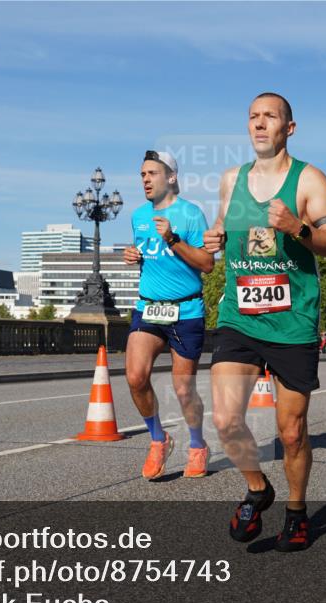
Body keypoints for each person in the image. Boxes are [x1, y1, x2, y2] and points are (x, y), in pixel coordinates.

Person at [203, 92, 326, 552]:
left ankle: (297, 511)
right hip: (239, 317)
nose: (260, 123)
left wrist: (298, 228)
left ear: (290, 127)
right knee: (226, 421)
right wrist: (215, 237)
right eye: (253, 116)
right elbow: (224, 227)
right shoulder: (232, 180)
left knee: (291, 431)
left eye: (270, 116)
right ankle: (258, 488)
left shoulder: (309, 179)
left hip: (292, 323)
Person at [123, 150, 214, 480]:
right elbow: (149, 257)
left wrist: (172, 238)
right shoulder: (138, 216)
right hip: (148, 307)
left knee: (183, 389)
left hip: (186, 310)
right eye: (142, 174)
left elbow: (207, 264)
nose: (145, 180)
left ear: (171, 177)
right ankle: (159, 440)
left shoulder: (190, 214)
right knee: (135, 376)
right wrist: (134, 255)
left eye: (152, 173)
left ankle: (197, 444)